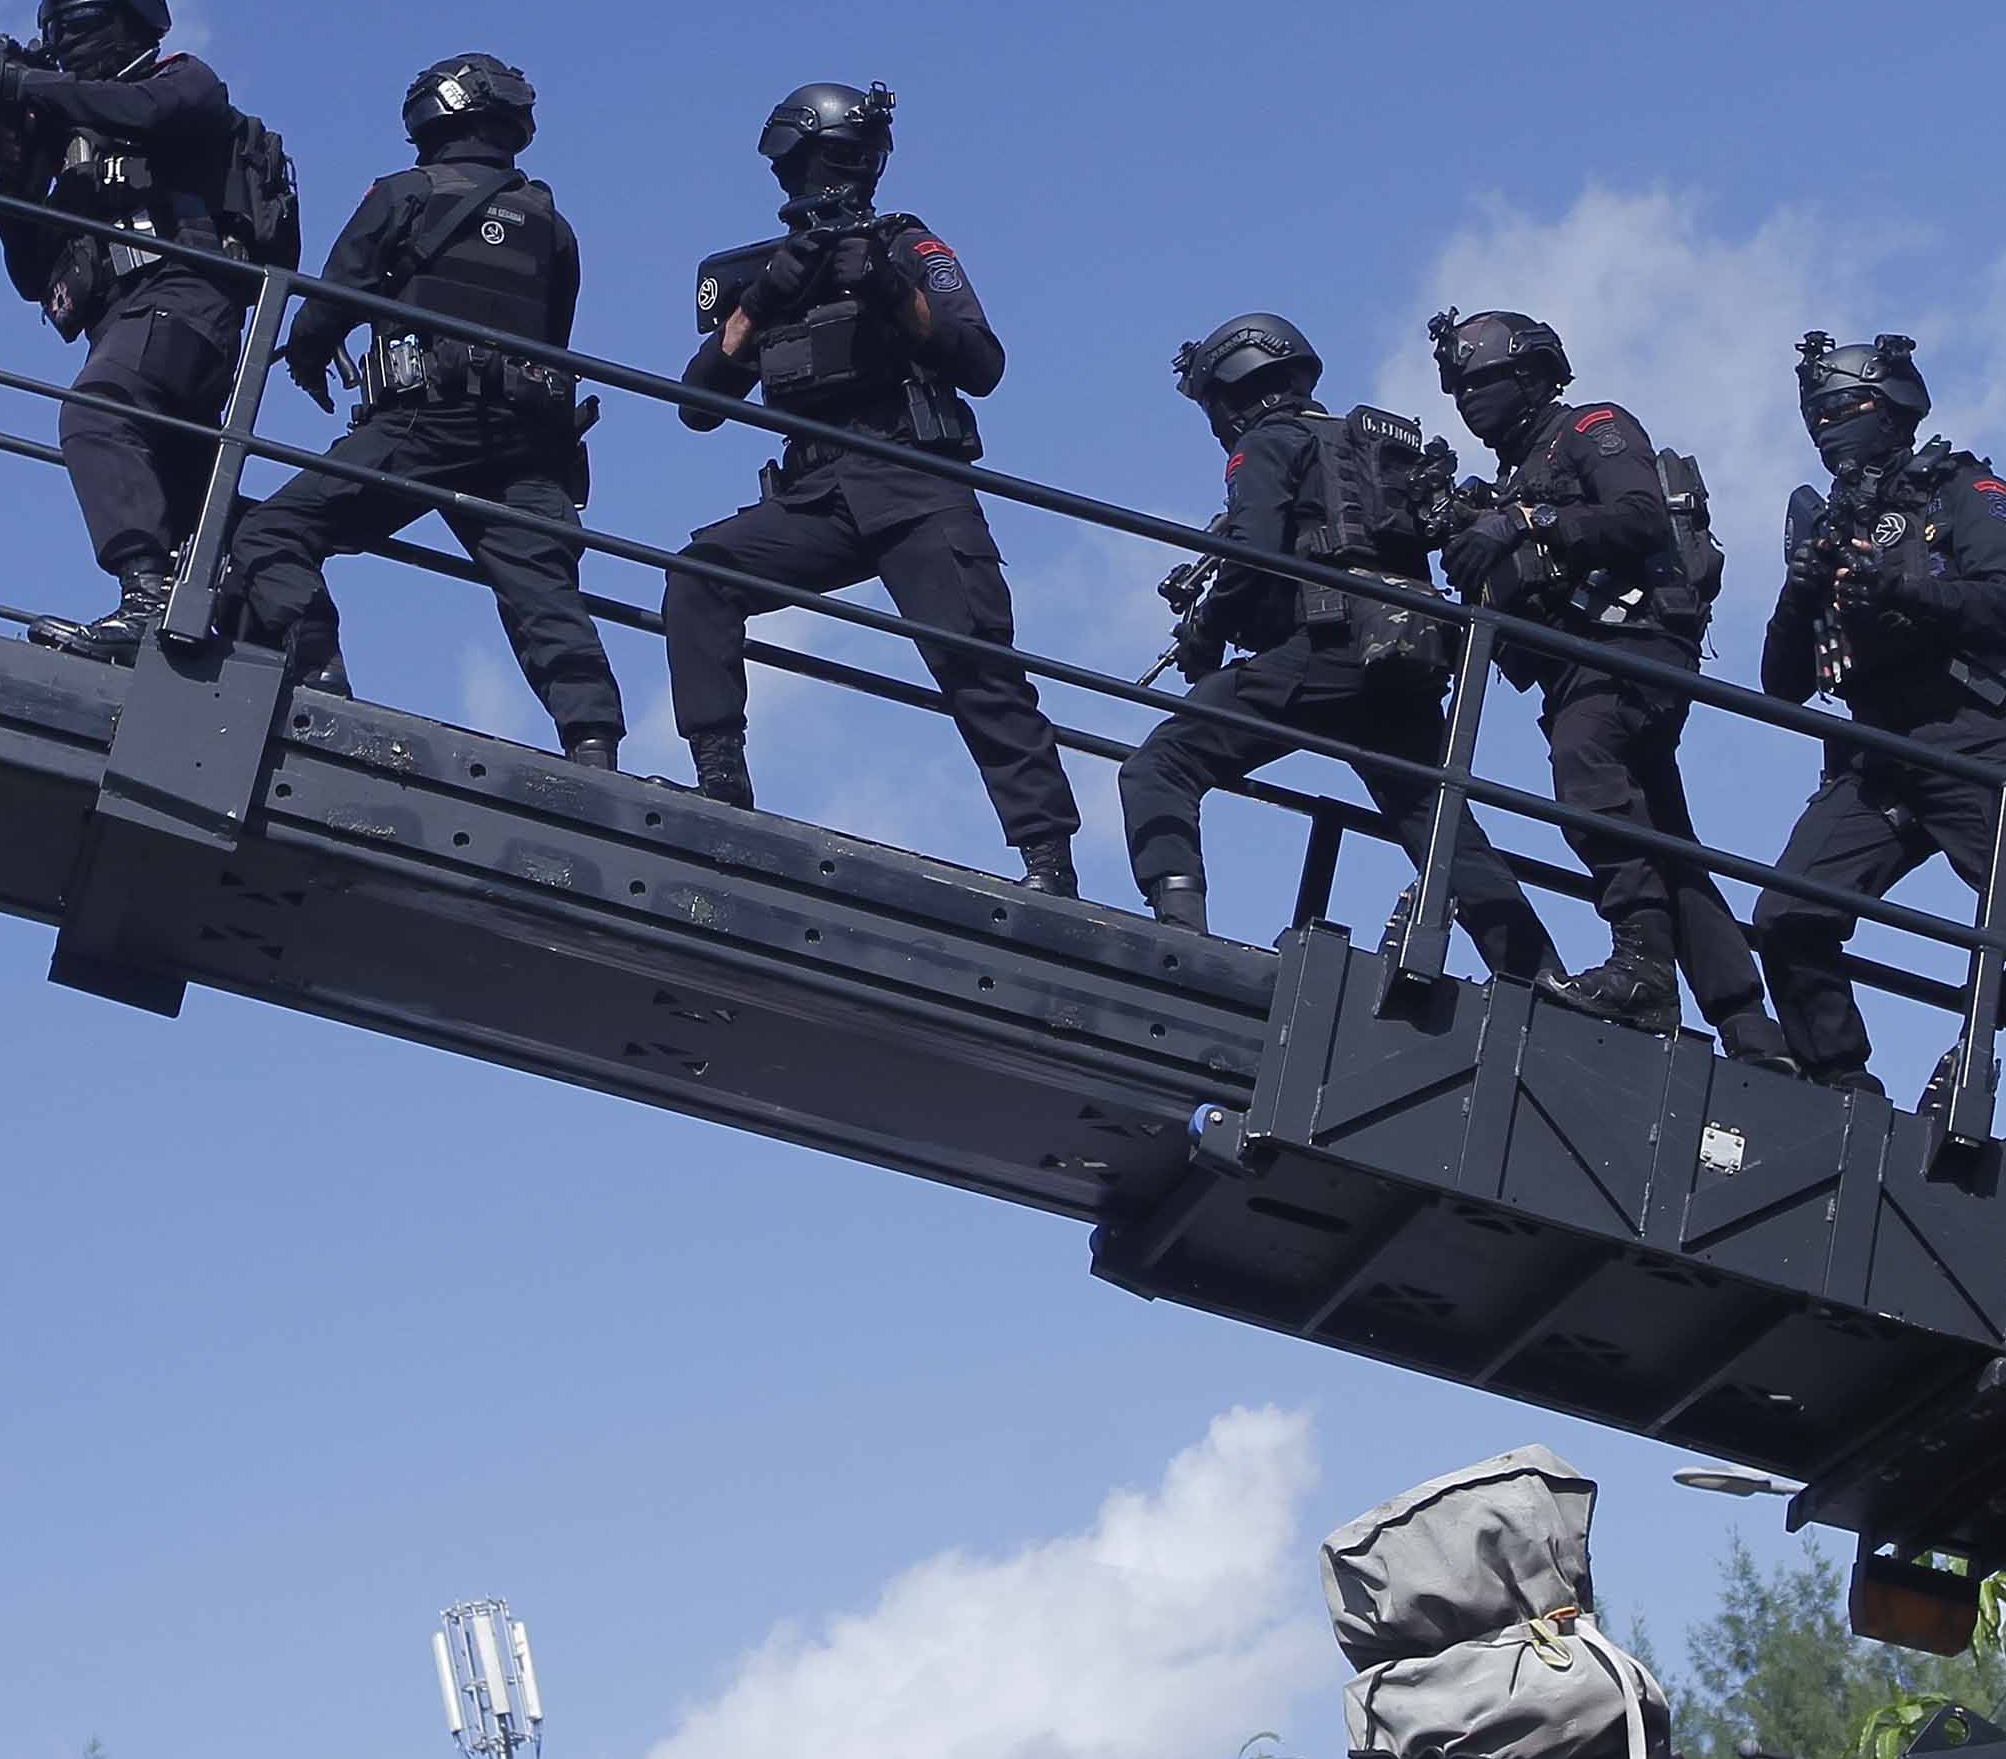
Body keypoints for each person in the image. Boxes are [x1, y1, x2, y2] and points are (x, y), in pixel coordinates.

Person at [656, 83, 1079, 893]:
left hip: (916, 483)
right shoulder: (757, 272)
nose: (845, 173)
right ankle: (722, 788)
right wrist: (761, 304)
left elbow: (982, 364)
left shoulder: (909, 248)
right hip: (814, 498)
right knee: (699, 576)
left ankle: (1048, 860)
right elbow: (697, 405)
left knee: (975, 665)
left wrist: (891, 289)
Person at [1746, 332, 2006, 1154]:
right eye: (1814, 414)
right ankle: (1840, 1082)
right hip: (1872, 754)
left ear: (1892, 409)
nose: (1825, 427)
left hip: (1975, 736)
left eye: (1841, 409)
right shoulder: (1825, 521)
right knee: (1786, 915)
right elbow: (1783, 682)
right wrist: (1801, 591)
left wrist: (1903, 584)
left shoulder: (1970, 491)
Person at [1116, 314, 1564, 984]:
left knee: (1161, 764)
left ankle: (1181, 938)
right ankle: (1541, 978)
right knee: (1439, 826)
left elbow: (1253, 552)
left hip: (1326, 649)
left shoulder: (1269, 443)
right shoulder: (1363, 445)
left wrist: (1205, 632)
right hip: (1408, 653)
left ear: (1234, 389)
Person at [213, 55, 622, 760]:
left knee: (270, 532)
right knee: (543, 591)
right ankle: (593, 745)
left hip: (421, 423)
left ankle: (315, 671)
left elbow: (334, 296)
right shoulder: (551, 222)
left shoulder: (402, 194)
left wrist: (308, 359)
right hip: (525, 437)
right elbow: (554, 336)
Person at [1427, 308, 1789, 1062]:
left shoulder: (1591, 427)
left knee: (1583, 763)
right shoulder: (1509, 477)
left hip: (1632, 648)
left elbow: (1638, 518)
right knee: (1661, 838)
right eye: (1458, 388)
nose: (1467, 400)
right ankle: (1753, 1032)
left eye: (1481, 382)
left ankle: (1642, 968)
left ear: (1528, 377)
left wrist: (1528, 520)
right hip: (1577, 667)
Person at [0, 0, 296, 662]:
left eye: (82, 27)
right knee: (202, 504)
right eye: (60, 33)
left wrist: (27, 84)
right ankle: (306, 646)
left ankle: (144, 599)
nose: (68, 47)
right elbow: (30, 272)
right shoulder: (71, 129)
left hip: (185, 299)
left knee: (98, 414)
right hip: (123, 319)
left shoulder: (184, 83)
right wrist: (11, 155)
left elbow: (142, 108)